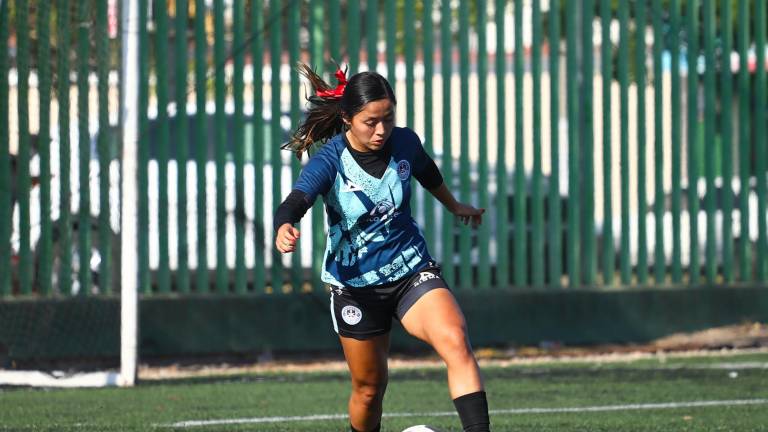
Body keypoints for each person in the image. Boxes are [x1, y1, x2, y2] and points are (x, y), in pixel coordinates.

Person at [274, 64, 491, 432]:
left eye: (388, 119)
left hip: (410, 269)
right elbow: (296, 200)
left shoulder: (405, 142)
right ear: (347, 119)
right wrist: (284, 224)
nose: (381, 130)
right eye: (370, 122)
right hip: (355, 288)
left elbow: (427, 172)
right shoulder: (330, 160)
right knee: (369, 389)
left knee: (456, 340)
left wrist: (454, 205)